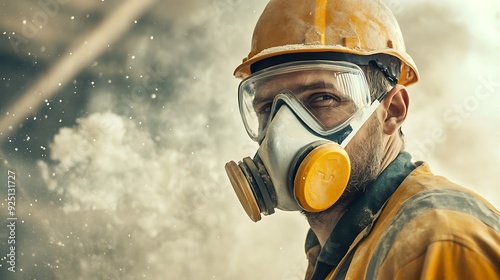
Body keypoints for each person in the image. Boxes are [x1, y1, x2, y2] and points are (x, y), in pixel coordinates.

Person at [224, 0, 500, 279]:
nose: (280, 133)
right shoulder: (338, 253)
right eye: (267, 108)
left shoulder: (440, 242)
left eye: (322, 98)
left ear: (392, 111)